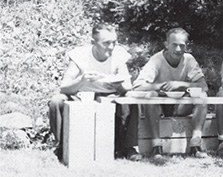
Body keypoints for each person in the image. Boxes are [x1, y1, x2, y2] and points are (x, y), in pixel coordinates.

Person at [48, 23, 141, 161]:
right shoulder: (80, 55)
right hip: (81, 96)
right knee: (56, 101)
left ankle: (127, 147)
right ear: (93, 42)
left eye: (114, 42)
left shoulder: (119, 55)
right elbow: (64, 87)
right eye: (106, 43)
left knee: (132, 98)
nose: (111, 47)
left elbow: (127, 86)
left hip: (110, 95)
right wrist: (81, 80)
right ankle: (62, 146)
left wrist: (118, 85)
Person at [133, 28, 209, 159]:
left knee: (202, 96)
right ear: (166, 44)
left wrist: (181, 84)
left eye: (182, 45)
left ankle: (195, 144)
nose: (178, 49)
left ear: (186, 46)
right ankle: (156, 146)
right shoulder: (157, 60)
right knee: (151, 96)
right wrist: (161, 86)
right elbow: (137, 86)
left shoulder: (189, 60)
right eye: (174, 45)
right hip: (160, 106)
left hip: (180, 104)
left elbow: (204, 86)